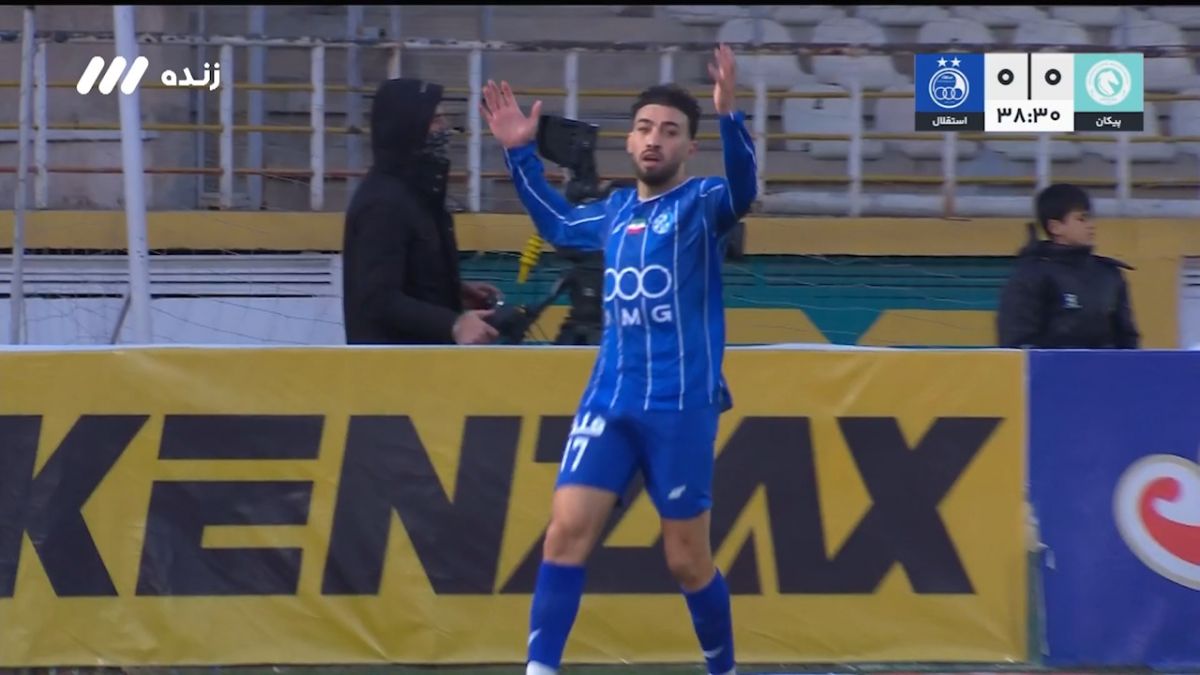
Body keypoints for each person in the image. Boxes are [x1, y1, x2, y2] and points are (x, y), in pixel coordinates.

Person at [481, 45, 754, 675]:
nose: (654, 140)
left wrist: (729, 115)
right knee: (564, 534)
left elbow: (744, 190)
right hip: (609, 401)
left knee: (687, 560)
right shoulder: (613, 212)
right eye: (644, 128)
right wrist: (519, 152)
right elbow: (556, 224)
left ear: (689, 148)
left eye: (670, 131)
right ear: (629, 142)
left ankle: (723, 669)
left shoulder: (703, 204)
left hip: (680, 406)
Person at [342, 77, 502, 345]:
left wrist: (454, 292)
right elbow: (379, 299)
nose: (445, 128)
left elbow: (409, 274)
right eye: (436, 120)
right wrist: (453, 324)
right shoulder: (383, 205)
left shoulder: (419, 194)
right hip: (395, 366)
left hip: (428, 362)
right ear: (407, 128)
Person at [997, 183, 1140, 349]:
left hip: (1103, 366)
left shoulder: (1109, 275)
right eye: (1081, 219)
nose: (1091, 225)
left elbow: (1127, 340)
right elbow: (1016, 341)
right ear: (1055, 227)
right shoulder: (1031, 275)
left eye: (1090, 218)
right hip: (1049, 365)